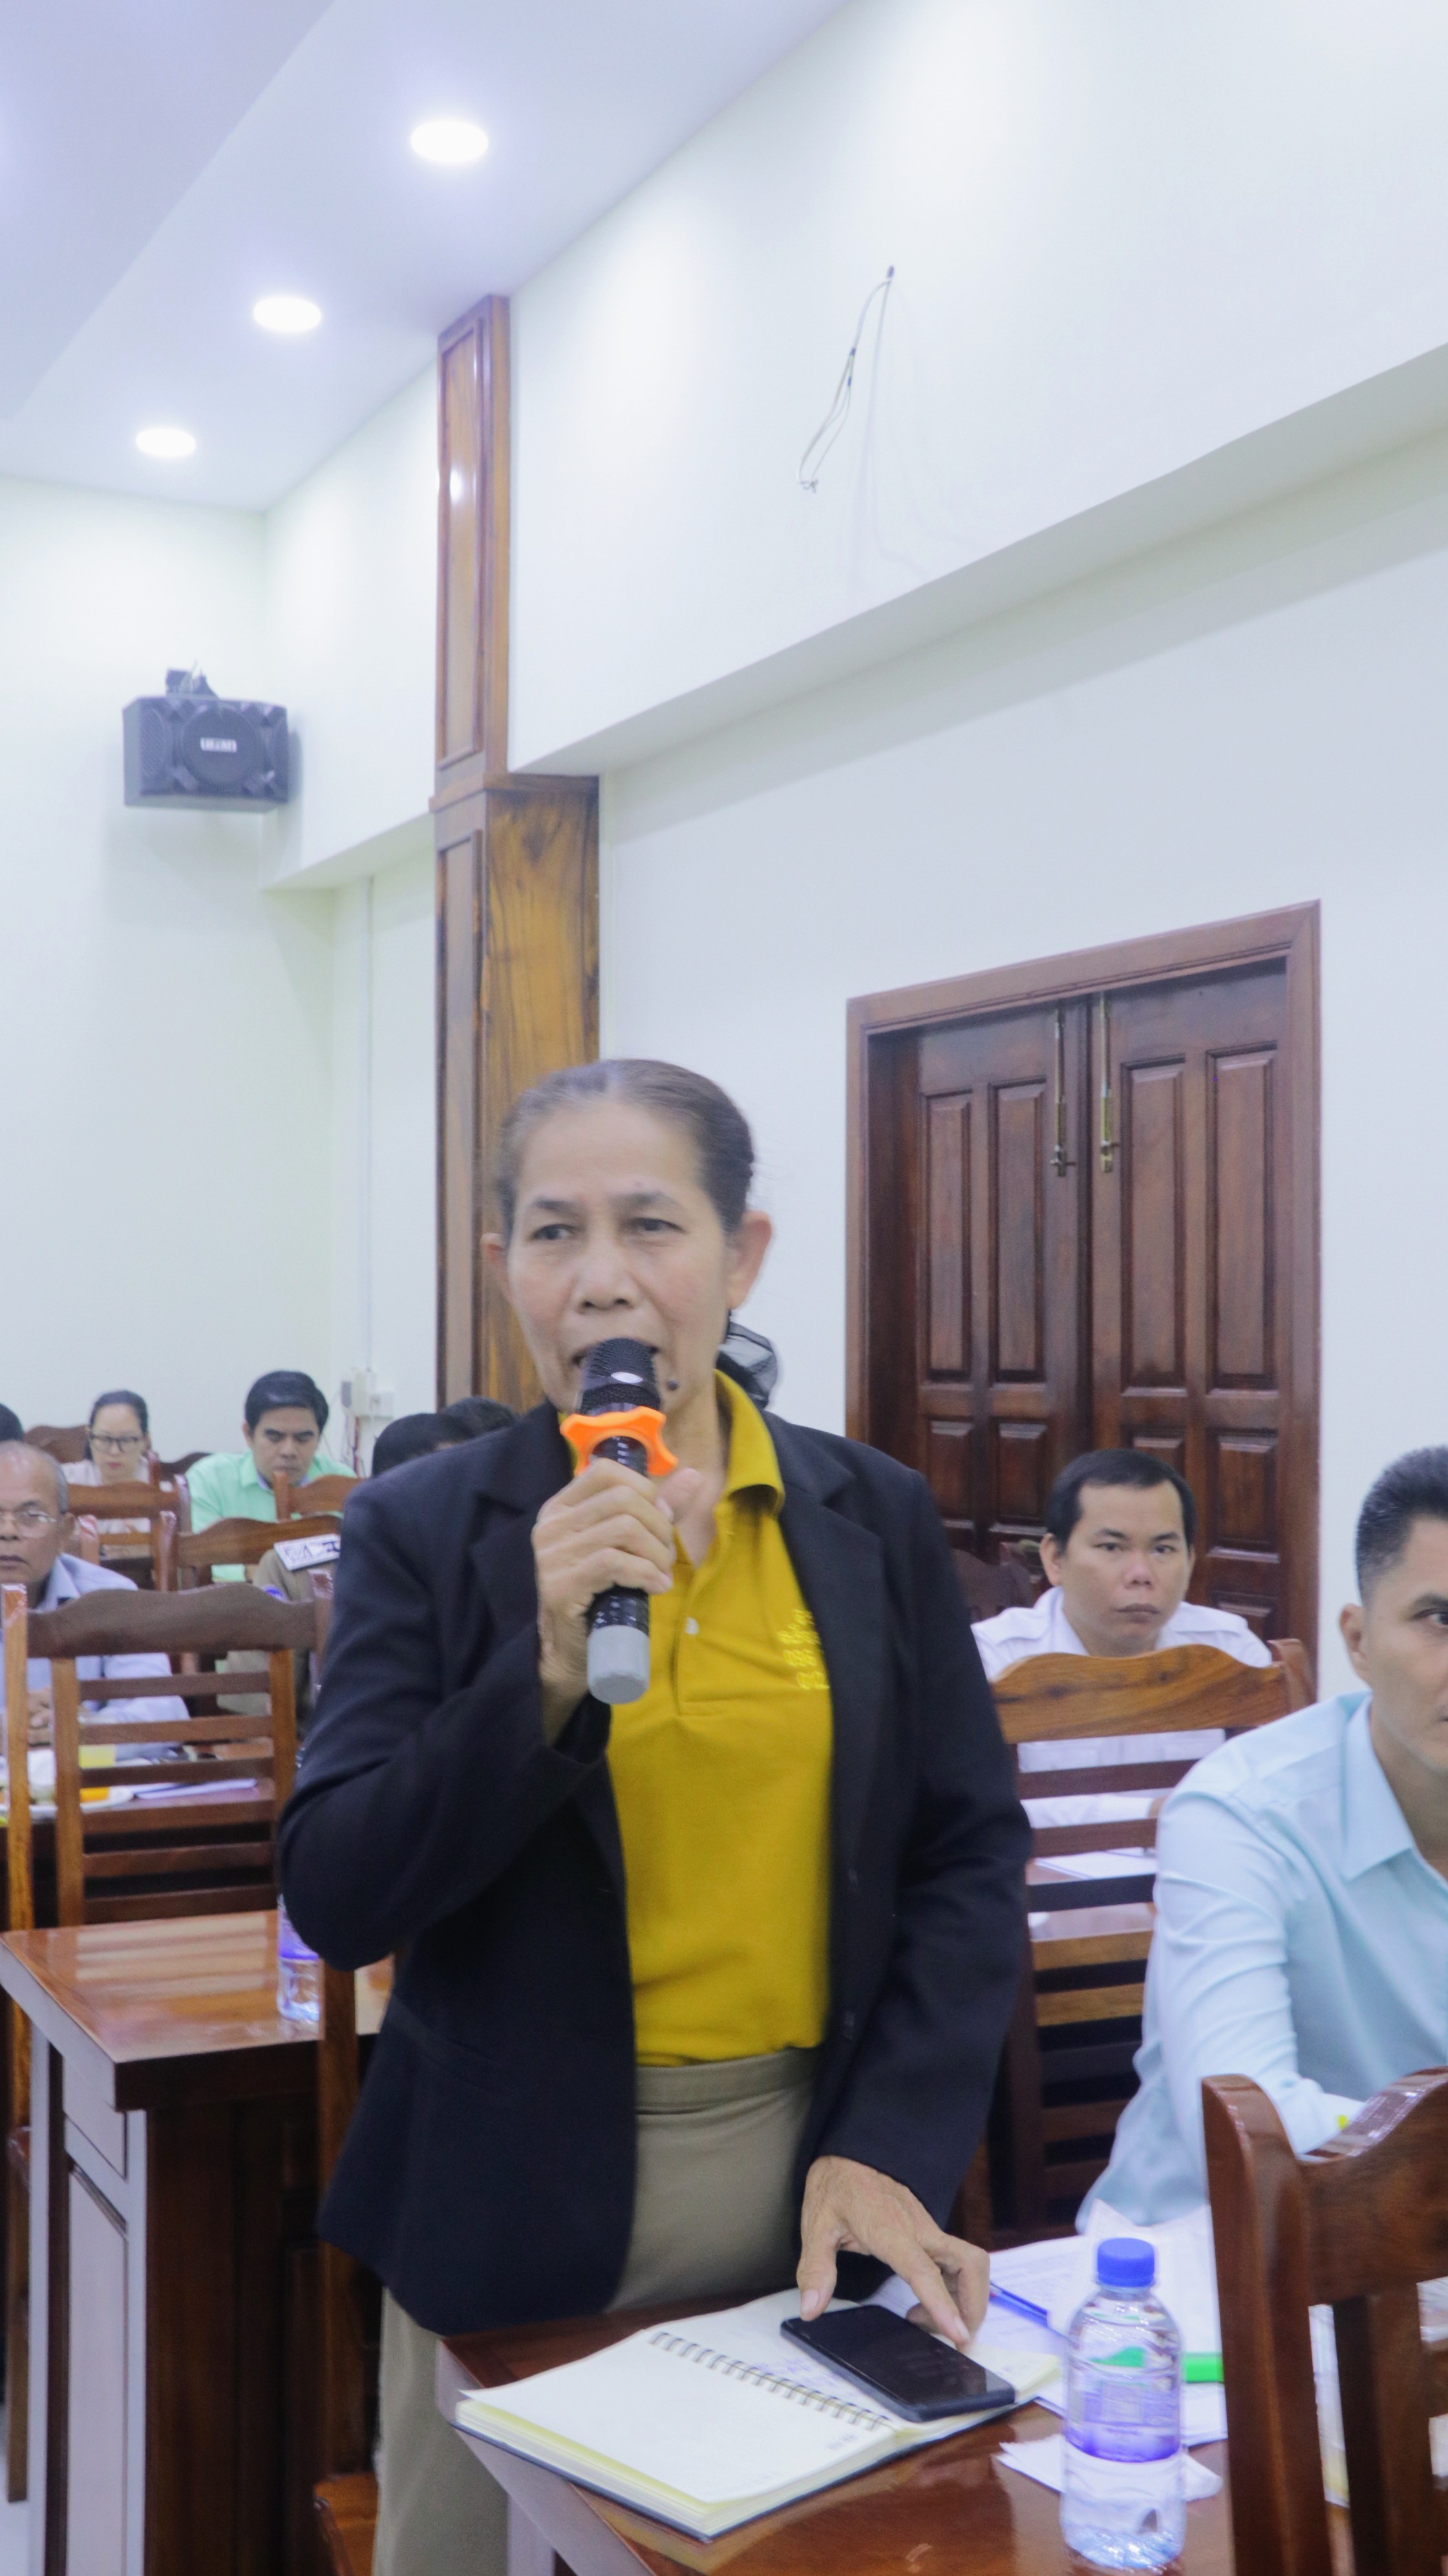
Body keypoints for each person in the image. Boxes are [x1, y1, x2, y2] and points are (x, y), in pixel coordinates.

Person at [280, 1057, 1029, 2576]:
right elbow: (341, 1891)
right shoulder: (424, 1526)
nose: (603, 1281)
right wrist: (545, 1672)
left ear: (741, 1255)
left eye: (651, 1226)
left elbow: (967, 1852)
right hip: (507, 2187)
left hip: (811, 2184)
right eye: (554, 1234)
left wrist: (889, 2142)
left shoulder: (867, 1512)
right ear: (503, 1267)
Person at [1093, 1445, 1448, 2224]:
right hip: (1200, 2260)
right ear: (1356, 1641)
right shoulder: (1240, 1816)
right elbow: (1240, 2130)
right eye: (1439, 1620)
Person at [973, 1451, 1272, 1821]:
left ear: (1191, 1561)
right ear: (1055, 1559)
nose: (1140, 1574)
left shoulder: (1229, 1650)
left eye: (1163, 1549)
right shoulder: (993, 1659)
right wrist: (1152, 1815)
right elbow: (976, 1809)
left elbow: (1275, 1791)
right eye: (1112, 1547)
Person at [0, 1442, 187, 1746]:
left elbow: (165, 1712)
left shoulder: (111, 1599)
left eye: (31, 1516)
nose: (7, 1532)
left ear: (64, 1533)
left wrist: (84, 1730)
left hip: (85, 1771)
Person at [187, 1370, 344, 1550]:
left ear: (319, 1438)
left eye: (302, 1439)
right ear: (248, 1434)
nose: (288, 1451)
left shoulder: (342, 1481)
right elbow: (200, 1559)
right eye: (275, 1437)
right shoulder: (210, 1480)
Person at [65, 1389, 155, 1538]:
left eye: (126, 1440)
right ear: (89, 1436)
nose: (114, 1452)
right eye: (104, 1439)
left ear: (145, 1441)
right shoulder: (65, 1481)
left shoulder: (162, 1492)